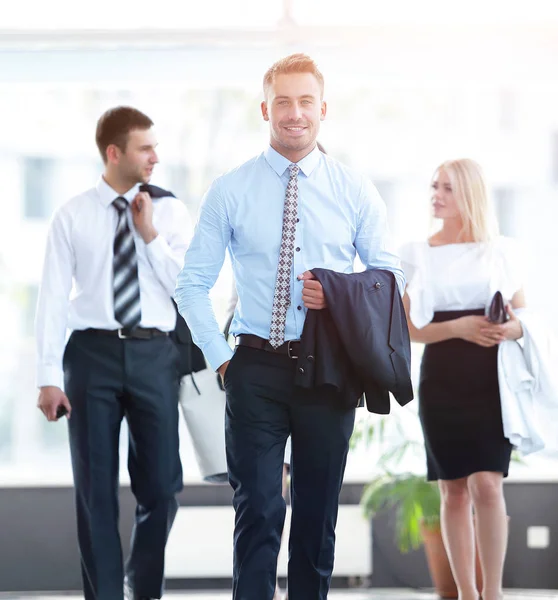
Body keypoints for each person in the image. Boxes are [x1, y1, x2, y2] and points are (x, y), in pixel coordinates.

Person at [175, 53, 404, 600]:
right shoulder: (230, 190)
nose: (294, 113)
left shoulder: (355, 190)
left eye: (306, 102)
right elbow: (191, 285)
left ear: (323, 110)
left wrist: (339, 291)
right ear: (265, 109)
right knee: (257, 511)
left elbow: (390, 279)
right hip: (252, 366)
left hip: (328, 369)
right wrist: (223, 360)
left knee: (317, 516)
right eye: (283, 102)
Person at [35, 106, 192, 600]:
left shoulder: (170, 212)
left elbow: (186, 290)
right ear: (114, 152)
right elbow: (53, 298)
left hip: (154, 354)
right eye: (146, 148)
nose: (155, 158)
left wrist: (149, 237)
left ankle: (142, 590)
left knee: (163, 488)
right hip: (90, 357)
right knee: (95, 492)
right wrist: (47, 376)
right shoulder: (73, 214)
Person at [400, 158, 525, 600]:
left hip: (492, 379)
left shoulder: (501, 250)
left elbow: (523, 317)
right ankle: (466, 595)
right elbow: (407, 329)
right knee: (453, 490)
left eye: (447, 188)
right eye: (434, 185)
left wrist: (508, 328)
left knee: (488, 485)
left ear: (469, 193)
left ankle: (493, 594)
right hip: (442, 378)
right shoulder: (417, 252)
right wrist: (458, 328)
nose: (436, 194)